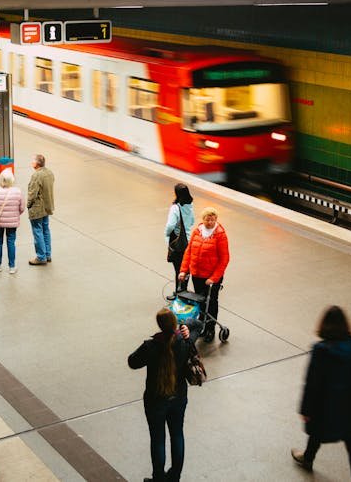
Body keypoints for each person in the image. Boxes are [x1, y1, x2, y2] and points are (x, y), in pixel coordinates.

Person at [292, 306, 351, 482]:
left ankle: (307, 458)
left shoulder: (320, 350)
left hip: (325, 405)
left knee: (317, 433)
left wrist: (306, 410)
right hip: (350, 405)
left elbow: (312, 383)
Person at [128, 308, 204, 482]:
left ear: (160, 326)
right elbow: (199, 324)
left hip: (155, 400)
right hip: (178, 398)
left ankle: (159, 478)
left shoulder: (151, 346)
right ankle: (175, 475)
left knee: (158, 439)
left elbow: (132, 361)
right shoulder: (184, 341)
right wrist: (186, 327)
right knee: (177, 434)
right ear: (175, 324)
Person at [178, 207, 229, 340]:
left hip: (211, 278)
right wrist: (184, 270)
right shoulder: (197, 231)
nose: (210, 222)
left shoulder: (220, 235)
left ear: (216, 219)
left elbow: (225, 259)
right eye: (207, 219)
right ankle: (200, 326)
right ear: (203, 219)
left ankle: (210, 329)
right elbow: (189, 252)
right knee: (200, 302)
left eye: (213, 219)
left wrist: (214, 278)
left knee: (211, 302)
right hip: (197, 275)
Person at [0, 168, 25, 274]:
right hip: (12, 223)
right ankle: (12, 266)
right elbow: (22, 208)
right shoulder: (17, 192)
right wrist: (14, 215)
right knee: (11, 242)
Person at [165, 183, 194, 298]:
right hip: (188, 239)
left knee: (178, 269)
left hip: (178, 241)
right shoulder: (190, 205)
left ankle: (178, 293)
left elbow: (170, 225)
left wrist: (167, 234)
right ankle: (183, 291)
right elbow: (192, 221)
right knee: (185, 268)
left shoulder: (175, 208)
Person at [27, 154, 55, 265]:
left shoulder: (36, 176)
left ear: (37, 163)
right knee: (45, 230)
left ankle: (41, 257)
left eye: (33, 160)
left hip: (38, 209)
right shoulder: (49, 173)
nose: (31, 162)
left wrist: (28, 204)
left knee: (37, 231)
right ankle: (48, 254)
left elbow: (32, 193)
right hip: (47, 207)